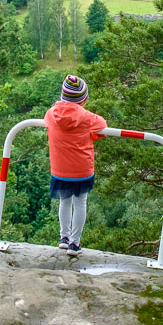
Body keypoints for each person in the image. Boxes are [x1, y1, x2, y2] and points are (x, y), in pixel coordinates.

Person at [45, 74, 107, 254]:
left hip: (60, 170)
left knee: (64, 202)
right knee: (80, 203)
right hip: (82, 171)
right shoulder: (88, 118)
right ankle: (75, 243)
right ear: (84, 100)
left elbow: (48, 124)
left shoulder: (51, 114)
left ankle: (63, 238)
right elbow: (102, 127)